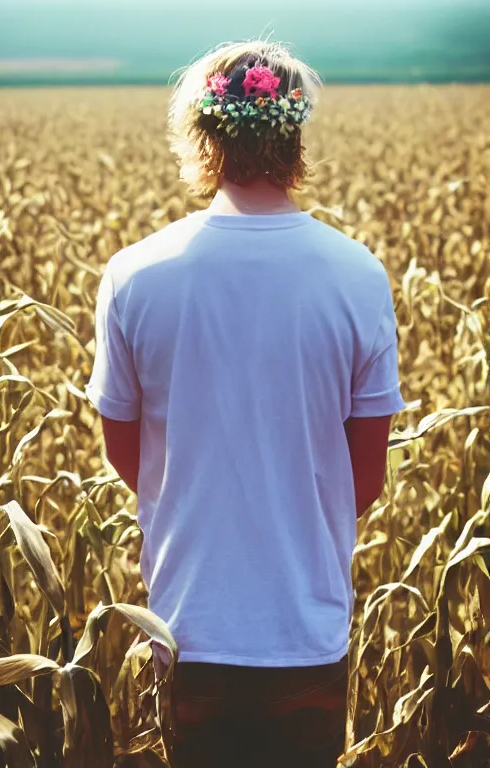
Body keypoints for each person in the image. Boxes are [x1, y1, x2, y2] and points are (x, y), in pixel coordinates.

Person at [86, 39, 406, 768]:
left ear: (203, 136)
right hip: (307, 629)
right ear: (294, 135)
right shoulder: (358, 276)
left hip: (186, 625)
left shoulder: (134, 275)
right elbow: (366, 481)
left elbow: (126, 456)